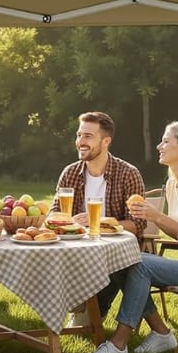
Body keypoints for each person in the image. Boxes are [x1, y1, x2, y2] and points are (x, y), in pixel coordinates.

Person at [80, 120, 178, 353]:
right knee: (122, 261)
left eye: (165, 141)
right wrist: (152, 217)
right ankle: (161, 333)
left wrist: (156, 216)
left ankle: (118, 346)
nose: (160, 146)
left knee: (139, 264)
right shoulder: (174, 184)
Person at [55, 111, 145, 324]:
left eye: (88, 136)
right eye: (79, 135)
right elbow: (53, 213)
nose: (80, 142)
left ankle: (94, 308)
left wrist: (100, 224)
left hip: (113, 254)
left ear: (106, 141)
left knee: (84, 324)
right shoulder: (69, 173)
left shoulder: (128, 173)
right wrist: (68, 223)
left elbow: (138, 224)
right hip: (75, 250)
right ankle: (76, 305)